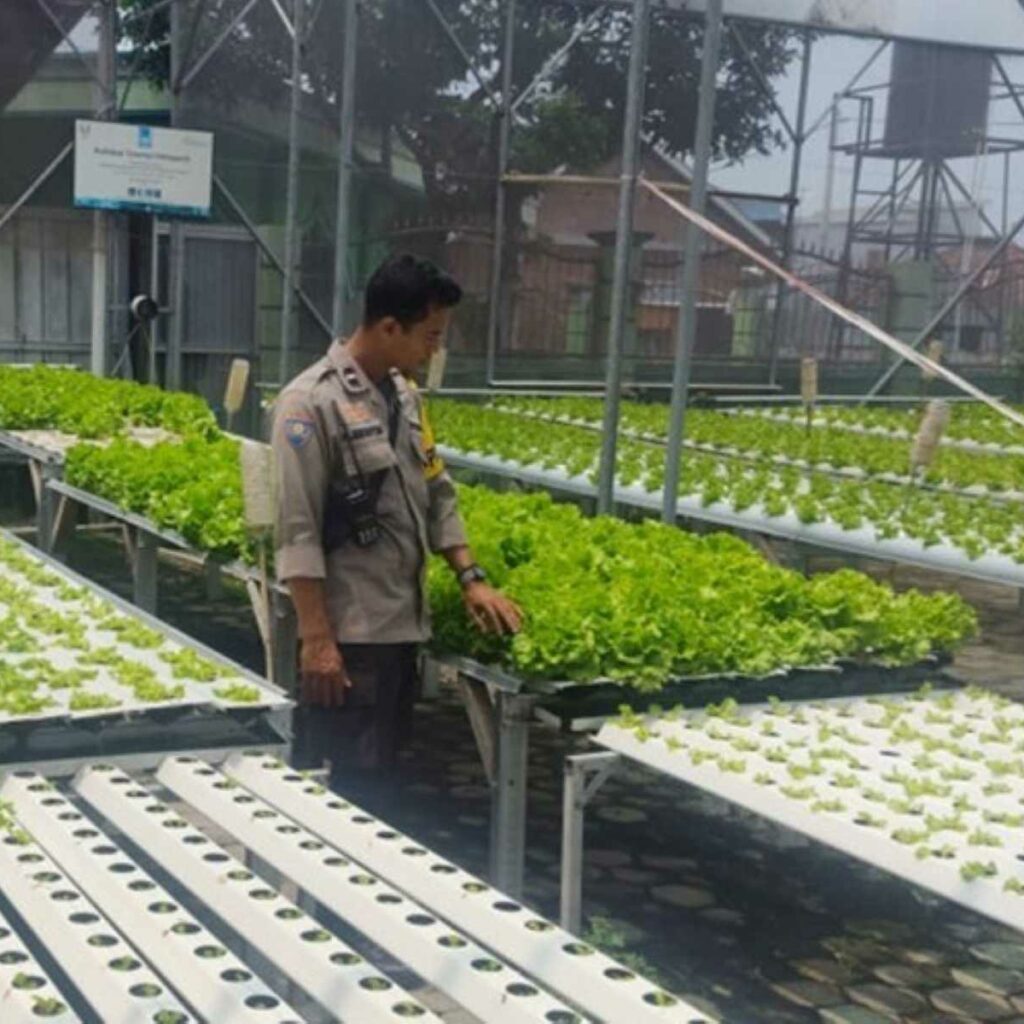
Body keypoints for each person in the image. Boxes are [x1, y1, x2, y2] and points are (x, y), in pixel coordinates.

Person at [271, 253, 522, 787]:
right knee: (350, 785)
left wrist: (470, 577)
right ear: (389, 327)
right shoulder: (309, 403)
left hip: (401, 625)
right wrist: (317, 641)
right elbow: (297, 530)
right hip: (351, 632)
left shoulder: (405, 396)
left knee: (382, 773)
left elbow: (436, 487)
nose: (437, 347)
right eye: (430, 335)